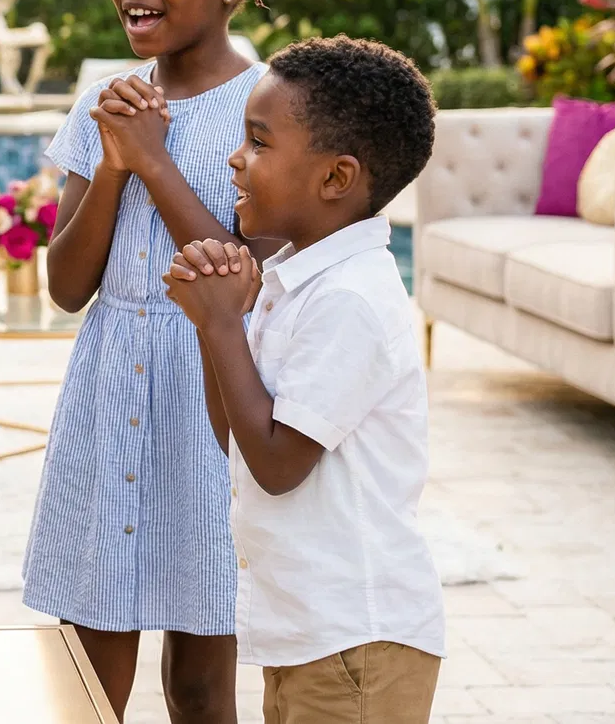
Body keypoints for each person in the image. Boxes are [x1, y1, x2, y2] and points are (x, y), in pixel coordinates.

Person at [22, 0, 293, 722]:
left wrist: (153, 160)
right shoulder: (105, 101)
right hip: (109, 391)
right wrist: (111, 163)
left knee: (202, 675)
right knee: (87, 663)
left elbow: (242, 278)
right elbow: (66, 285)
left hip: (208, 398)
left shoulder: (267, 109)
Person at [163, 36, 444, 724]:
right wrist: (213, 323)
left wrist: (225, 323)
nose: (236, 159)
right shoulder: (298, 282)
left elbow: (279, 464)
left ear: (336, 178)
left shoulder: (349, 299)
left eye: (259, 142)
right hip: (312, 638)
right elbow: (238, 432)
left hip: (357, 645)